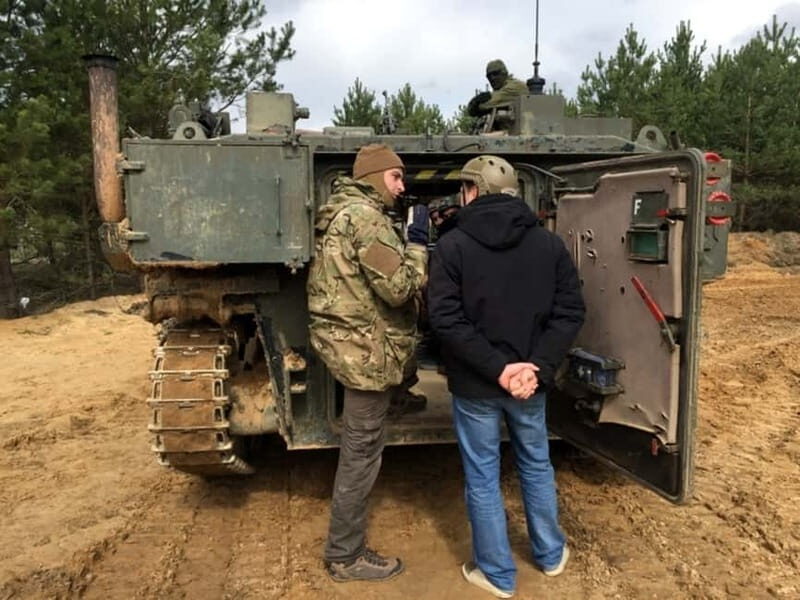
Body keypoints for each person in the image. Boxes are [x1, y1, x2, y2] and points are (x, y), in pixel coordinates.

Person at [427, 155, 585, 598]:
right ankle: (550, 555)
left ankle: (497, 574)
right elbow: (571, 312)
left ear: (472, 191)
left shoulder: (452, 246)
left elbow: (445, 319)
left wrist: (498, 369)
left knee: (482, 475)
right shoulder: (548, 245)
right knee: (536, 463)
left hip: (478, 384)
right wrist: (535, 367)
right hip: (529, 384)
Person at [307, 143, 429, 582]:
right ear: (376, 177)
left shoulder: (340, 213)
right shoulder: (364, 218)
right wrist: (417, 244)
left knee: (361, 446)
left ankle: (345, 549)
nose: (402, 186)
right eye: (396, 178)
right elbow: (398, 287)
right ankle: (345, 555)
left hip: (350, 345)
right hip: (365, 354)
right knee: (360, 452)